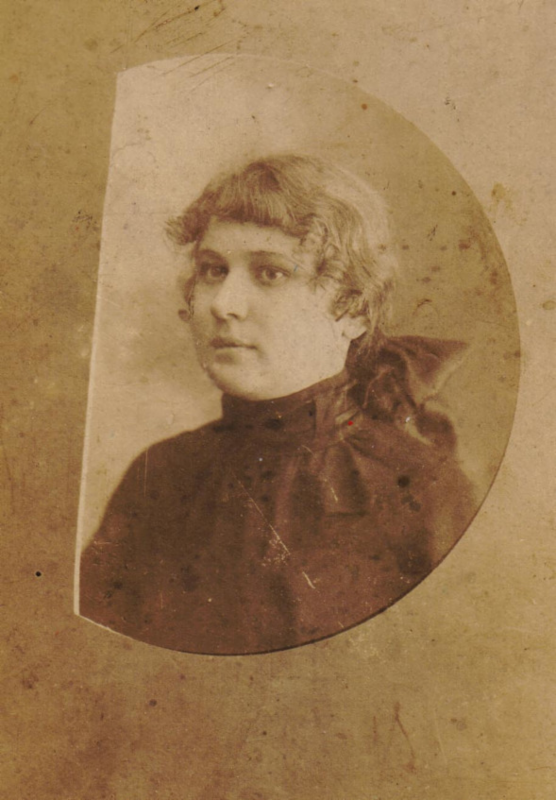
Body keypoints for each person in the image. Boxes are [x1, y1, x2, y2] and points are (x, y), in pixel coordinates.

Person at [79, 154, 476, 655]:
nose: (222, 303)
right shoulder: (160, 475)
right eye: (213, 270)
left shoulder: (423, 490)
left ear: (352, 310)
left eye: (270, 273)